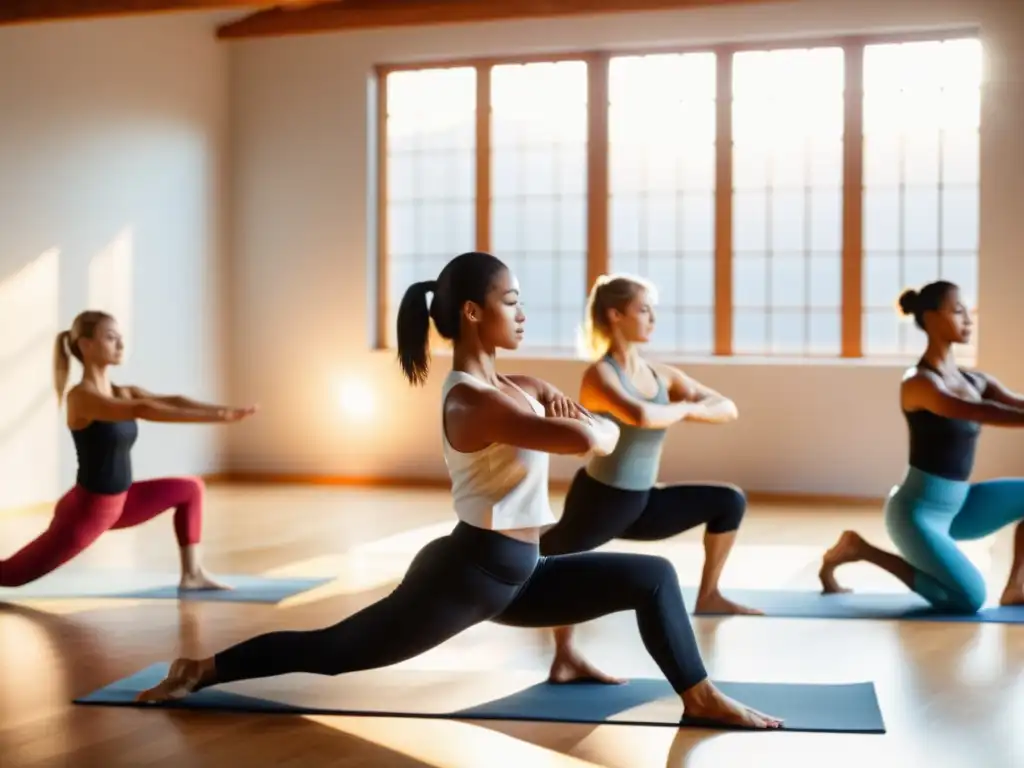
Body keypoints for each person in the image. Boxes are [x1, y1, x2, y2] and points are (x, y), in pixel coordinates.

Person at [135, 252, 781, 730]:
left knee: (654, 578)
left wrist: (583, 420)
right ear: (472, 312)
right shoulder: (477, 403)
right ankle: (200, 668)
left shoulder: (510, 385)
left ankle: (699, 698)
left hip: (522, 572)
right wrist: (589, 425)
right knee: (335, 652)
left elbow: (580, 422)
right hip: (469, 575)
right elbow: (592, 442)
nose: (523, 313)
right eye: (510, 301)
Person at [538, 274, 760, 686]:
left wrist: (677, 406)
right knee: (558, 558)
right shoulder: (599, 376)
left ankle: (709, 595)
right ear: (615, 314)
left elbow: (727, 407)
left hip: (642, 504)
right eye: (643, 309)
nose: (653, 318)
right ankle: (565, 656)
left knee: (728, 501)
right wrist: (685, 408)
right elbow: (639, 416)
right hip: (601, 501)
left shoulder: (662, 375)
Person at [0, 310, 258, 590]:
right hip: (90, 511)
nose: (120, 345)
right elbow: (143, 409)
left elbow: (173, 400)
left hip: (120, 502)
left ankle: (192, 574)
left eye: (120, 338)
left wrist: (227, 412)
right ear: (86, 345)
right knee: (9, 576)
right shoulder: (82, 397)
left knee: (191, 488)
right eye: (111, 338)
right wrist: (219, 417)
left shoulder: (122, 391)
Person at [820, 281, 1024, 612]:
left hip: (961, 506)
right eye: (957, 311)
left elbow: (1016, 403)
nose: (968, 320)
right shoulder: (919, 383)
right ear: (929, 318)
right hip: (918, 514)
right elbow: (978, 412)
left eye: (968, 312)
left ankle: (1016, 587)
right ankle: (860, 549)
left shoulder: (976, 381)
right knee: (968, 599)